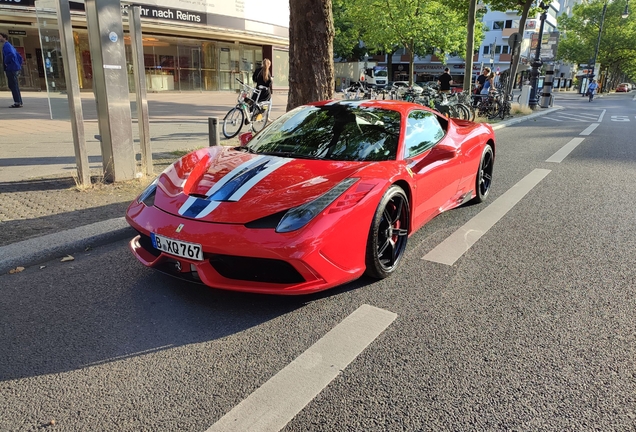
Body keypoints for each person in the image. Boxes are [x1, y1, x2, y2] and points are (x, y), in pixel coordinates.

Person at [0, 32, 23, 108]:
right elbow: (19, 56)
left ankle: (17, 102)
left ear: (4, 37)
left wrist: (6, 62)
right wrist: (18, 65)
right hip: (13, 67)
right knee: (14, 85)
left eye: (0, 36)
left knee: (13, 85)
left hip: (11, 68)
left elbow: (11, 54)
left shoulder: (6, 46)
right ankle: (19, 101)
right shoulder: (10, 46)